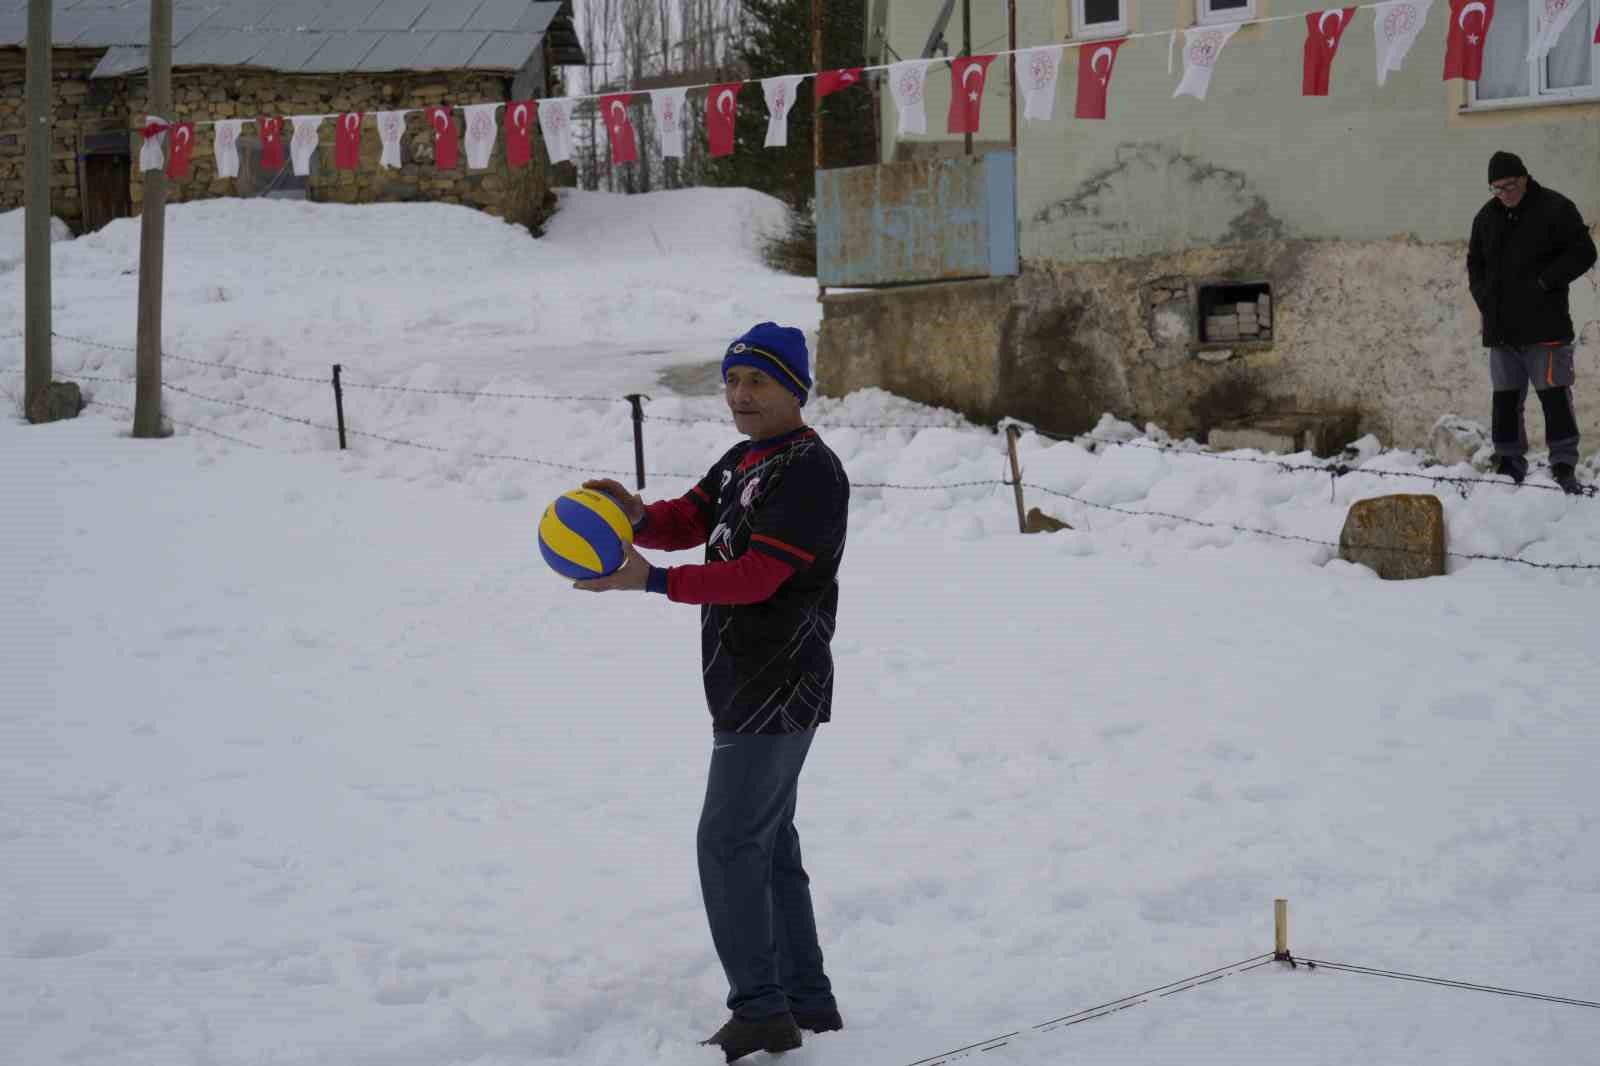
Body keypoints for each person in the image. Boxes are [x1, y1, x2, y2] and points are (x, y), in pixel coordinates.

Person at [576, 322, 848, 1063]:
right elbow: (689, 519)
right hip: (745, 680)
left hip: (778, 683)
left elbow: (759, 575)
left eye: (757, 381)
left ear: (795, 388)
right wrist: (633, 516)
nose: (740, 395)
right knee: (767, 844)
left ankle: (762, 1010)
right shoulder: (742, 459)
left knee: (729, 842)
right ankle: (805, 998)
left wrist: (649, 580)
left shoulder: (811, 472)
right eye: (732, 381)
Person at [1467, 150, 1598, 494]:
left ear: (1524, 177)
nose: (1504, 195)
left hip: (1546, 327)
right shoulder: (1486, 217)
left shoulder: (1555, 208)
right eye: (1496, 189)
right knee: (1505, 400)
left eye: (1509, 186)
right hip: (1501, 329)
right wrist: (1484, 299)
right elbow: (1475, 264)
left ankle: (1563, 463)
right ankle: (1509, 461)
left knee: (1554, 397)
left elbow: (1584, 252)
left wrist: (1545, 282)